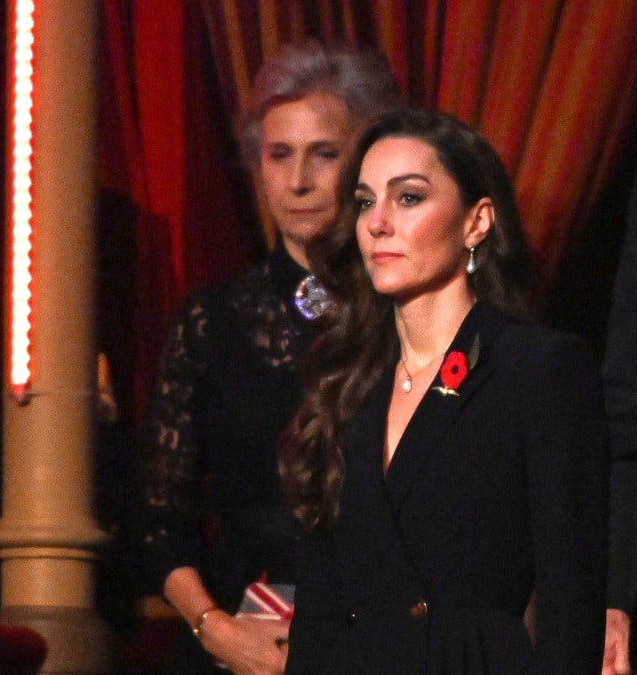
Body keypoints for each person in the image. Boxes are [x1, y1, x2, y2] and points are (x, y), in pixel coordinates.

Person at [278, 106, 608, 674]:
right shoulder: (349, 384)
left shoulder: (537, 369)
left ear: (476, 222)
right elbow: (321, 603)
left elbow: (571, 604)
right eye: (364, 201)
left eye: (408, 197)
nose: (378, 221)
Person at [136, 40, 399, 674]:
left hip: (380, 634)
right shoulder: (212, 320)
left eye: (324, 154)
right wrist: (216, 629)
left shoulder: (408, 313)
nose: (299, 181)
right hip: (233, 636)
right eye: (280, 155)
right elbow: (155, 523)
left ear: (366, 162)